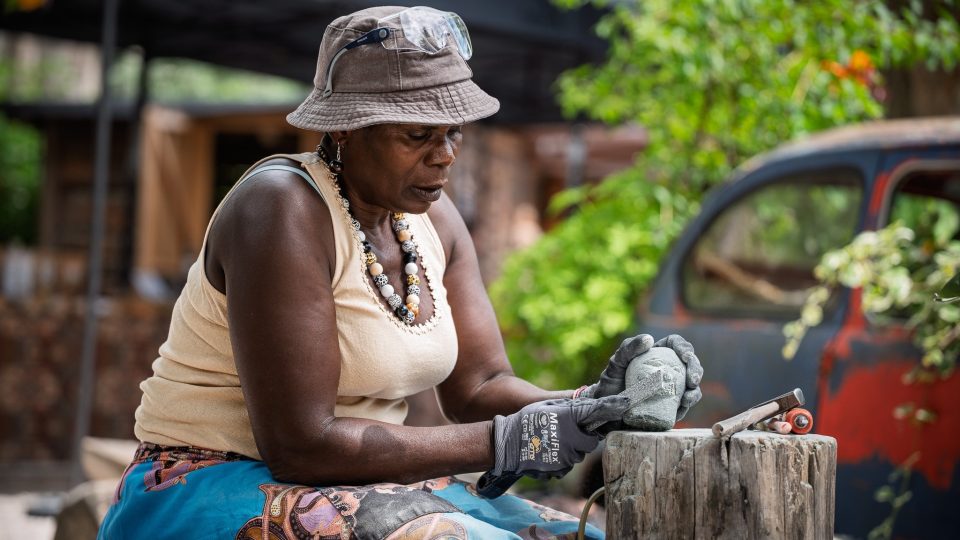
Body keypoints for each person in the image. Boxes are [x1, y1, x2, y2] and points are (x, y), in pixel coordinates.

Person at [98, 6, 702, 539]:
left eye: (453, 133)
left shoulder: (433, 221)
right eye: (418, 134)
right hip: (208, 485)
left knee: (579, 535)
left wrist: (593, 404)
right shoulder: (280, 207)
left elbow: (480, 388)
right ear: (346, 128)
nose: (443, 154)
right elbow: (301, 446)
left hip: (357, 485)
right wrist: (518, 439)